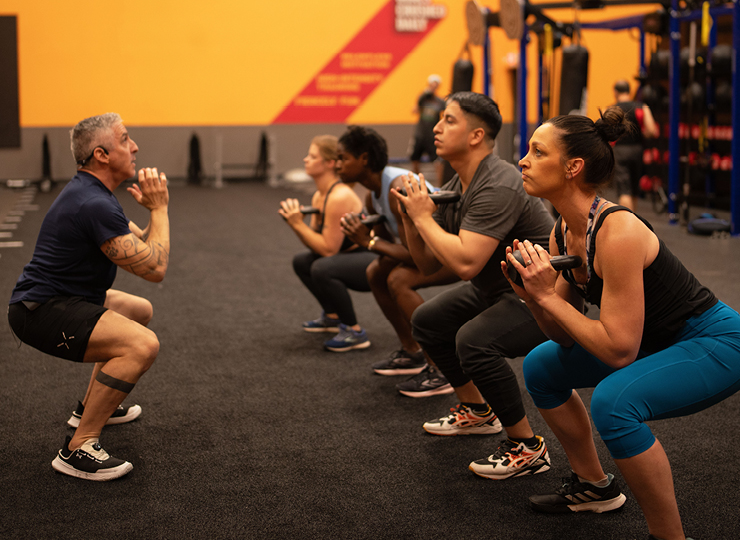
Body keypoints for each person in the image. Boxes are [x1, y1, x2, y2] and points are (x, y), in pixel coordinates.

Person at [511, 106, 740, 540]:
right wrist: (533, 296)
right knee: (542, 364)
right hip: (654, 338)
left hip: (715, 340)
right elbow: (561, 332)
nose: (523, 160)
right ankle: (594, 487)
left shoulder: (617, 231)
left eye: (537, 152)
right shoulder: (564, 229)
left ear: (573, 167)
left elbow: (618, 349)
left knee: (615, 404)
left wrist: (544, 296)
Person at [393, 92, 556, 479]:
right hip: (499, 287)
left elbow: (466, 262)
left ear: (476, 135)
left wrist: (424, 218)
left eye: (449, 120)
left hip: (544, 296)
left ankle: (527, 446)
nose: (436, 127)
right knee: (429, 320)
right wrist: (411, 217)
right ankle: (478, 411)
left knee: (473, 340)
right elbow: (428, 262)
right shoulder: (459, 182)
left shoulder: (498, 182)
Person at [7, 113, 170, 481]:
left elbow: (141, 243)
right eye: (125, 139)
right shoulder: (93, 203)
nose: (135, 146)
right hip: (40, 311)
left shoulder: (93, 193)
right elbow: (155, 267)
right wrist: (160, 209)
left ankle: (92, 408)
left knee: (137, 309)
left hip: (64, 297)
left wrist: (153, 213)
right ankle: (78, 447)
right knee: (142, 346)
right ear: (101, 154)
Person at [337, 127, 458, 390]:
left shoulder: (398, 189)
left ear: (364, 159)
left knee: (399, 279)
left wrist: (366, 241)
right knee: (376, 272)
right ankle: (411, 351)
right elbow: (386, 248)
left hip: (458, 249)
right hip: (431, 252)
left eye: (343, 158)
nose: (337, 165)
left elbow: (417, 258)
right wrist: (366, 237)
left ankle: (441, 369)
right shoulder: (372, 195)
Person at [278, 135, 366, 351]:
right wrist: (297, 224)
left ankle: (354, 331)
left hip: (371, 261)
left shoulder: (339, 197)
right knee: (302, 261)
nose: (306, 159)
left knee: (322, 267)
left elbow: (328, 249)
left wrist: (298, 224)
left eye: (312, 156)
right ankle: (332, 316)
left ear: (329, 163)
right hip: (347, 256)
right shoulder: (320, 195)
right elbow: (316, 244)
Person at [611, 79, 658, 210]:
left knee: (624, 190)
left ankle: (627, 225)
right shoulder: (642, 106)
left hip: (620, 151)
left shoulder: (613, 108)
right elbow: (652, 130)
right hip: (637, 150)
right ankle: (633, 223)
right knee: (634, 189)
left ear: (615, 92)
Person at [410, 74, 446, 185]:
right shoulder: (423, 99)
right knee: (415, 158)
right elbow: (415, 109)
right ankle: (417, 183)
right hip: (420, 133)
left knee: (438, 161)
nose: (433, 86)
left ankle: (441, 185)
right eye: (432, 84)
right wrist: (423, 94)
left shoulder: (440, 102)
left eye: (436, 85)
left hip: (432, 135)